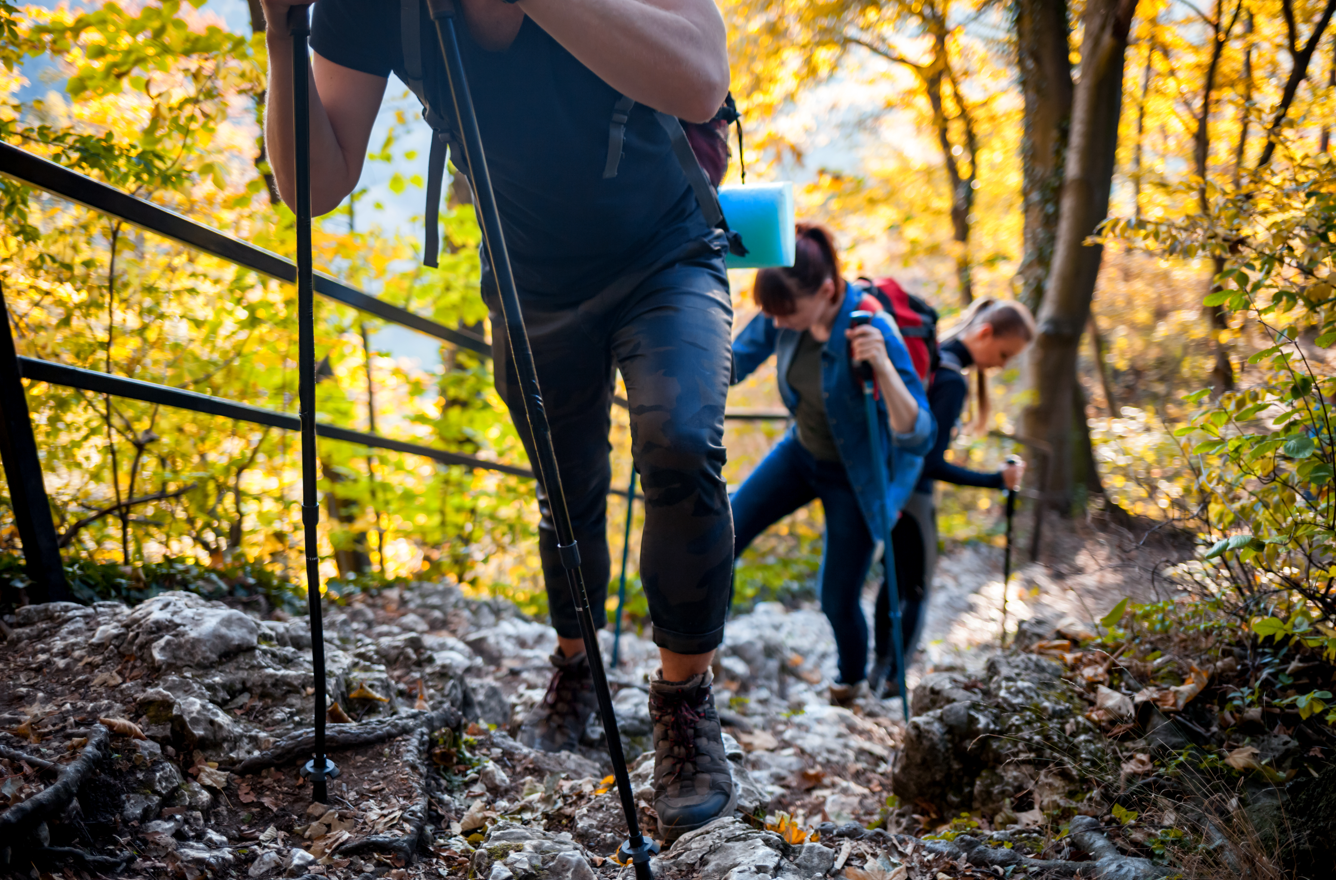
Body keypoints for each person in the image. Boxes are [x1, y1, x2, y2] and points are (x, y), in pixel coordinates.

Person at [260, 0, 738, 840]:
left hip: (665, 251)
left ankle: (685, 704)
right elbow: (315, 186)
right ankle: (575, 664)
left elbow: (700, 82)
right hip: (529, 282)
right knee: (567, 491)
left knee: (681, 439)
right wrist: (279, 32)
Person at [730, 225, 936, 705]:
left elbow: (919, 431)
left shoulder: (872, 327)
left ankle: (849, 683)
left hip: (856, 477)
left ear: (826, 291)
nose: (777, 324)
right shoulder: (783, 309)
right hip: (799, 453)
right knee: (727, 532)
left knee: (836, 596)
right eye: (772, 314)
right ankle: (699, 652)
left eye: (788, 313)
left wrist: (883, 366)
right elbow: (734, 363)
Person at [870, 297, 1035, 697]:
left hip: (887, 488)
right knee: (916, 590)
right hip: (915, 497)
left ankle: (878, 670)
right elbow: (929, 463)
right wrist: (995, 479)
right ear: (984, 333)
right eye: (1004, 353)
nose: (1002, 365)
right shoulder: (952, 379)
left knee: (892, 580)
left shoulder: (931, 360)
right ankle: (893, 681)